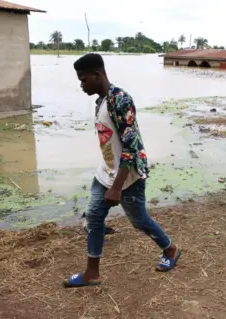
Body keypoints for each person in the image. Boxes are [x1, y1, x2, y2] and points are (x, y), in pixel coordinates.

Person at [64, 53, 180, 288]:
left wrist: (117, 188)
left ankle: (170, 249)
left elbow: (131, 145)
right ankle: (91, 274)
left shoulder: (121, 100)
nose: (81, 85)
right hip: (106, 171)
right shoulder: (101, 100)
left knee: (139, 220)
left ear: (98, 75)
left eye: (84, 80)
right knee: (94, 218)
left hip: (128, 176)